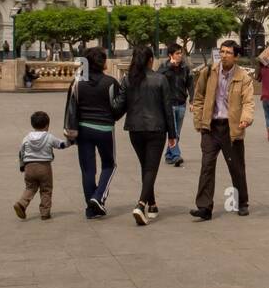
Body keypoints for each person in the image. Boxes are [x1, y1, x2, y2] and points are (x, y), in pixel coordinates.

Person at [189, 39, 254, 220]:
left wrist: (246, 119)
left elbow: (248, 102)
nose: (224, 56)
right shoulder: (209, 72)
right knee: (206, 166)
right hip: (211, 127)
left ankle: (242, 202)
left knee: (236, 167)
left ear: (236, 57)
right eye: (222, 52)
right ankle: (204, 207)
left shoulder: (243, 77)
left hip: (231, 127)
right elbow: (199, 96)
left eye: (228, 53)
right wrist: (200, 122)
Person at [63, 46, 126, 219]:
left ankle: (91, 208)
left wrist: (70, 131)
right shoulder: (110, 82)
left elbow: (70, 106)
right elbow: (119, 105)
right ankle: (98, 197)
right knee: (109, 165)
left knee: (87, 169)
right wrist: (113, 118)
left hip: (83, 130)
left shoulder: (77, 81)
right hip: (105, 129)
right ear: (102, 62)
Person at [122, 45, 179, 225]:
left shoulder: (128, 80)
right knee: (150, 168)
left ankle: (152, 204)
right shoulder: (160, 79)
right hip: (156, 128)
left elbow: (120, 105)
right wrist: (173, 134)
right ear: (150, 60)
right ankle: (140, 204)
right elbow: (167, 108)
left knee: (146, 166)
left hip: (135, 129)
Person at [15, 110, 67, 220]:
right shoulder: (49, 137)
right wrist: (71, 141)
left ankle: (22, 203)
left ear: (32, 124)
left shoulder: (27, 138)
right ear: (47, 125)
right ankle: (45, 213)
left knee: (30, 188)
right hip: (44, 168)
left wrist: (22, 166)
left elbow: (21, 152)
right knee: (46, 190)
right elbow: (61, 145)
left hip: (29, 167)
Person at [161, 43, 194, 167]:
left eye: (181, 53)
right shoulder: (164, 67)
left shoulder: (185, 67)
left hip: (181, 104)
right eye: (177, 53)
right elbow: (157, 77)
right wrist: (170, 66)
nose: (180, 56)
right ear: (171, 55)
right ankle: (176, 155)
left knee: (177, 133)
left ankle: (169, 155)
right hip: (169, 104)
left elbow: (190, 84)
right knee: (173, 131)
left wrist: (192, 101)